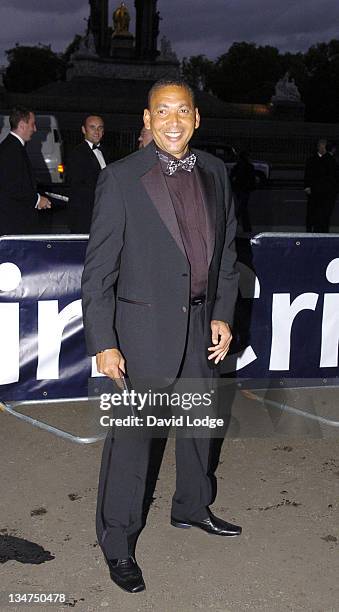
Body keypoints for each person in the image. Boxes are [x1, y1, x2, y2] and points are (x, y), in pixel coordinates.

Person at [81, 79, 241, 594]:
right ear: (147, 120)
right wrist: (103, 342)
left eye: (183, 111)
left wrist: (220, 312)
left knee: (199, 426)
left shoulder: (216, 172)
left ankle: (193, 507)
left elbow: (227, 254)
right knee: (132, 443)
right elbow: (98, 270)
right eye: (162, 112)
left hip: (200, 326)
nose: (173, 121)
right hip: (141, 330)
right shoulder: (122, 179)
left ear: (197, 119)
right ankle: (118, 542)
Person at [0, 107, 51, 235]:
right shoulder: (12, 150)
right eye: (32, 124)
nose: (35, 129)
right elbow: (12, 186)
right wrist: (37, 199)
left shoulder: (12, 147)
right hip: (13, 222)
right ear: (22, 126)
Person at [67, 115, 108, 233]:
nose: (97, 131)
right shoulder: (77, 154)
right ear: (84, 130)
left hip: (102, 215)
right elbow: (78, 187)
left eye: (100, 128)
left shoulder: (106, 152)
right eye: (92, 127)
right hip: (84, 216)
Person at [304, 138, 338, 232]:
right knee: (312, 212)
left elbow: (334, 177)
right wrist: (307, 186)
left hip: (327, 192)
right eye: (321, 146)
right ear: (318, 147)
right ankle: (310, 230)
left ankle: (323, 231)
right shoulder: (311, 159)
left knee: (324, 214)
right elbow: (307, 174)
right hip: (314, 191)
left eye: (324, 146)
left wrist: (333, 191)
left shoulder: (331, 160)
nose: (323, 148)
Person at [230, 150, 256, 233]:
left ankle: (243, 227)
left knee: (242, 208)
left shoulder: (238, 166)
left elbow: (232, 177)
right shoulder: (248, 166)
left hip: (240, 189)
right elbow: (251, 179)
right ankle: (245, 228)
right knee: (242, 209)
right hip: (243, 189)